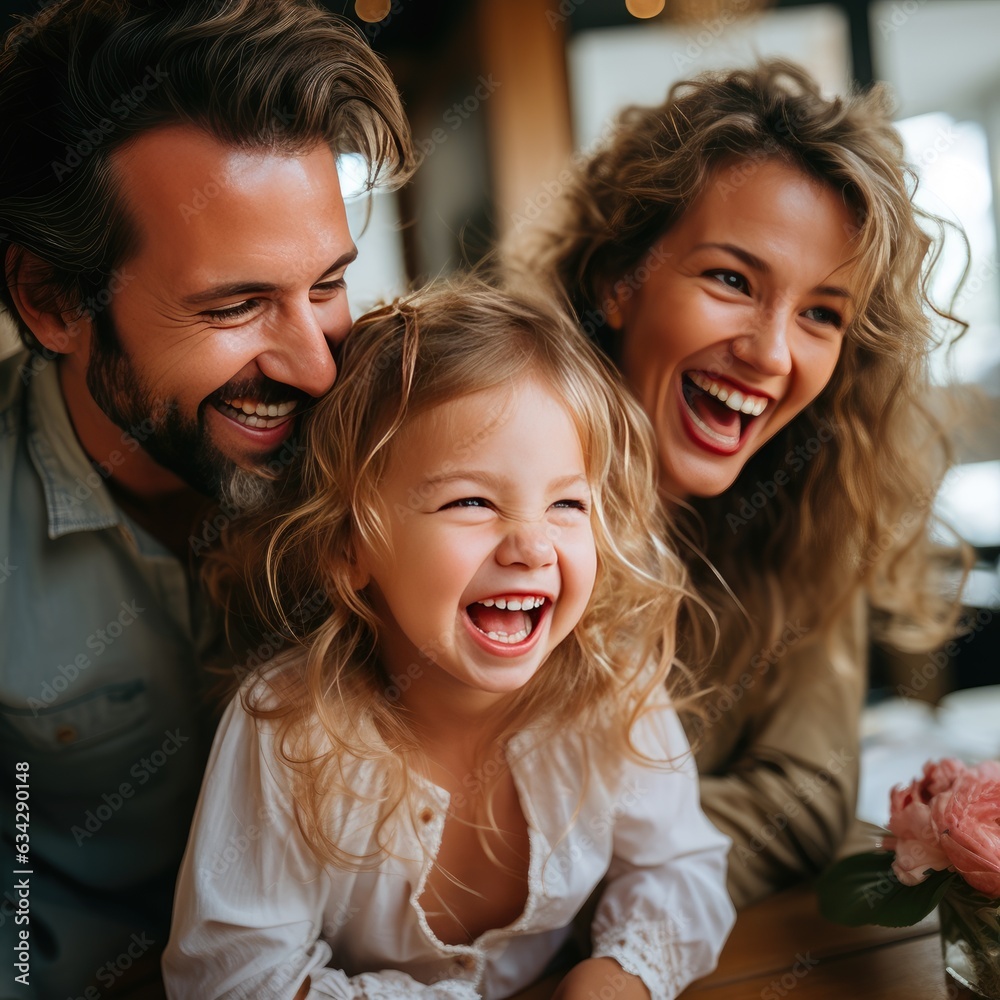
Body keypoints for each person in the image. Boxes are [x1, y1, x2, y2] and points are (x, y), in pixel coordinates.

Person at [161, 280, 735, 999]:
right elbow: (234, 977)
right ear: (349, 548)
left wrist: (618, 978)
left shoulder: (613, 691)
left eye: (567, 503)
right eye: (471, 500)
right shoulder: (288, 732)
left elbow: (681, 868)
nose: (533, 546)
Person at [0, 1, 411, 994]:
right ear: (53, 301)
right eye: (236, 304)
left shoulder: (400, 450)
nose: (317, 368)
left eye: (327, 285)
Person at [511, 60, 963, 909]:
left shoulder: (811, 506)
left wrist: (572, 881)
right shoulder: (489, 494)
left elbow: (801, 802)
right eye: (731, 279)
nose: (771, 353)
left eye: (821, 313)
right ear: (618, 282)